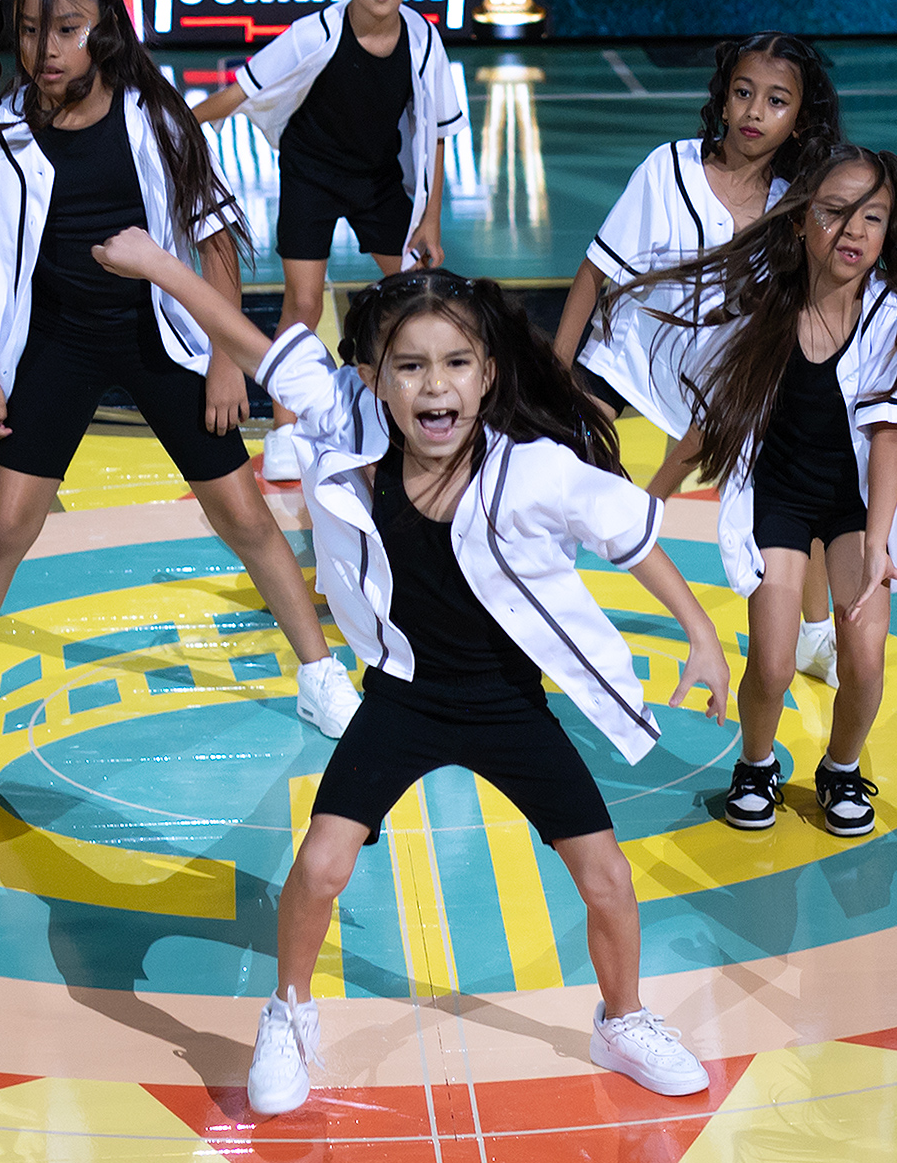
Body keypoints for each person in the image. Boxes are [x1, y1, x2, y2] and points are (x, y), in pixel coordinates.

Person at [92, 240, 730, 1114]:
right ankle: (289, 1013)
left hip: (509, 706)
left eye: (458, 363)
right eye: (412, 366)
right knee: (320, 865)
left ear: (488, 375)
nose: (437, 385)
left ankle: (621, 1021)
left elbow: (630, 532)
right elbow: (247, 341)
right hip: (404, 699)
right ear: (374, 380)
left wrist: (701, 631)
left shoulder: (533, 468)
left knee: (608, 879)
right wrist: (160, 268)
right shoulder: (344, 425)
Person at [0, 0, 365, 765]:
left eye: (67, 29)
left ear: (105, 32)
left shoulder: (156, 121)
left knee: (245, 518)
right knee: (4, 528)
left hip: (160, 338)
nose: (47, 49)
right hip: (57, 342)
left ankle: (320, 673)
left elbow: (217, 239)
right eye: (31, 31)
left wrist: (225, 360)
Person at [625, 146, 897, 839]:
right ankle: (756, 765)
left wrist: (877, 547)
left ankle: (841, 769)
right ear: (799, 221)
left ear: (888, 230)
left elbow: (890, 441)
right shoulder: (763, 306)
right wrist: (656, 494)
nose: (854, 230)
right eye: (835, 212)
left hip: (855, 509)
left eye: (872, 217)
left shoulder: (887, 315)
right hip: (778, 500)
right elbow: (715, 419)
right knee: (771, 663)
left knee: (866, 656)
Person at [553, 34, 846, 688]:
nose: (754, 110)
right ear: (723, 97)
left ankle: (812, 632)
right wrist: (554, 370)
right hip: (628, 356)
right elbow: (595, 272)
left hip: (720, 381)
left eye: (776, 100)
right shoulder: (668, 169)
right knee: (557, 469)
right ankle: (534, 600)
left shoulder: (795, 208)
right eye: (743, 92)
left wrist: (659, 487)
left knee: (800, 489)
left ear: (801, 118)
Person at [190, 0, 468, 485]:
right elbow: (240, 92)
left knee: (418, 293)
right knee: (303, 306)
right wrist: (175, 128)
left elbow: (439, 134)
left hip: (378, 181)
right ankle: (286, 429)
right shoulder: (315, 32)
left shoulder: (423, 41)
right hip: (311, 175)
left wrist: (430, 220)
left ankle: (414, 406)